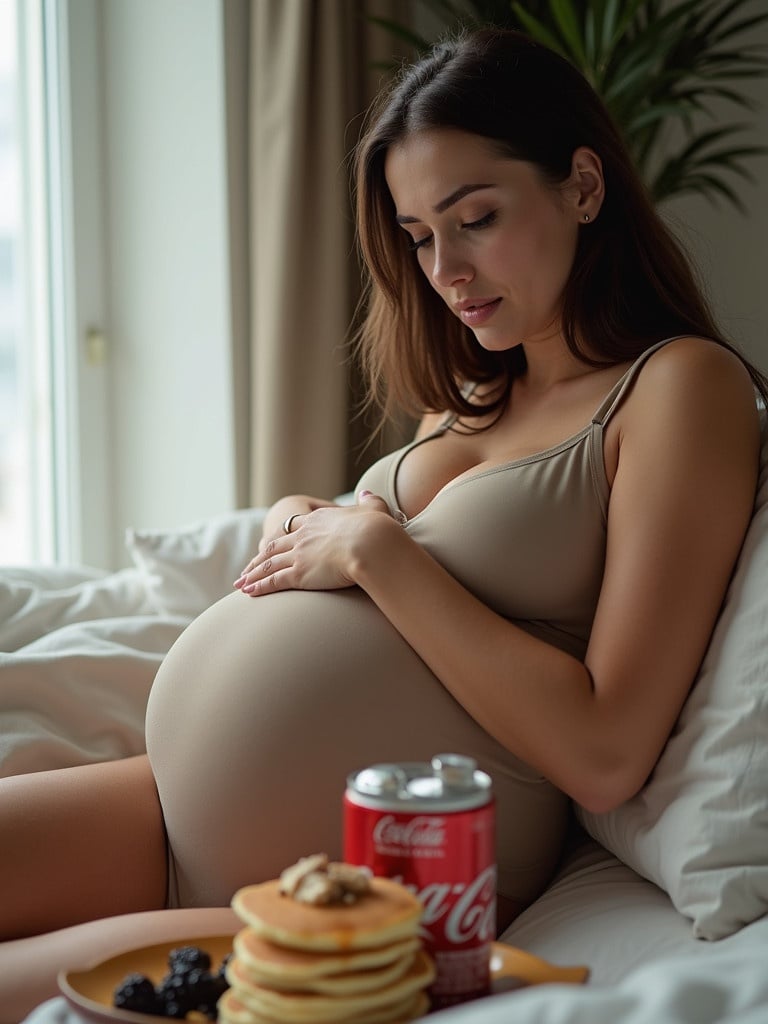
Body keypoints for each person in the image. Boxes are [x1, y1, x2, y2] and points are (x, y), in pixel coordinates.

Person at [1, 27, 765, 1019]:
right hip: (162, 807)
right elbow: (379, 554)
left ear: (582, 185)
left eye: (476, 217)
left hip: (348, 884)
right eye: (417, 235)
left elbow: (607, 749)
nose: (445, 268)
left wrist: (373, 549)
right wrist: (306, 521)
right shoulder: (476, 398)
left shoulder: (676, 387)